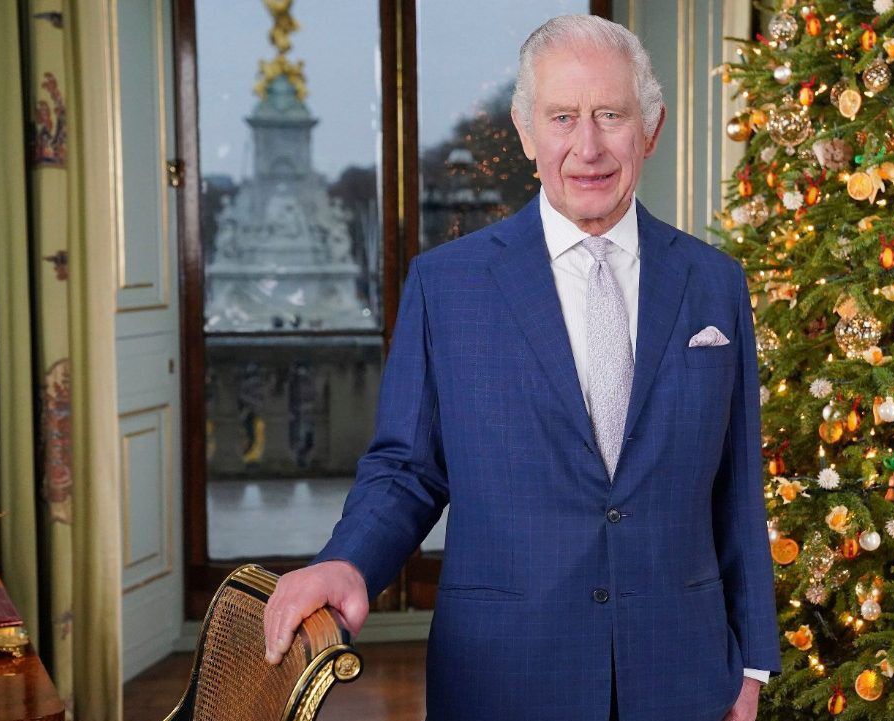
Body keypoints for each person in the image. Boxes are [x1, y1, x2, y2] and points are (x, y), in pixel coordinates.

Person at [261, 14, 781, 721]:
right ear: (527, 133)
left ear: (650, 129)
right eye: (563, 117)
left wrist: (749, 663)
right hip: (503, 674)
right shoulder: (448, 285)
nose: (588, 146)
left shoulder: (715, 283)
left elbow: (737, 487)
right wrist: (347, 560)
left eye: (611, 115)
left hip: (684, 672)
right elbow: (406, 470)